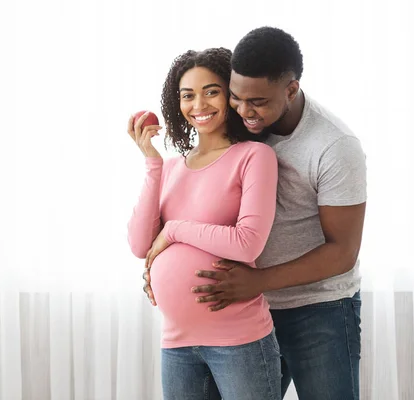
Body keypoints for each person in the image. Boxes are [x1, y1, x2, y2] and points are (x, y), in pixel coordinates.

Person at [143, 27, 367, 400]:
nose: (245, 111)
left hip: (317, 307)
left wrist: (257, 281)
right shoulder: (244, 126)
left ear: (291, 89)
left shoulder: (333, 146)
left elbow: (343, 251)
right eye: (235, 97)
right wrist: (165, 267)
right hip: (242, 310)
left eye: (258, 102)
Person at [127, 48, 281, 400]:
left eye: (211, 91)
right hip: (177, 343)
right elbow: (139, 245)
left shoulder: (254, 157)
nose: (199, 103)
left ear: (231, 95)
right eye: (187, 95)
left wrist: (175, 229)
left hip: (239, 341)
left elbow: (248, 243)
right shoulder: (170, 168)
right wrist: (152, 162)